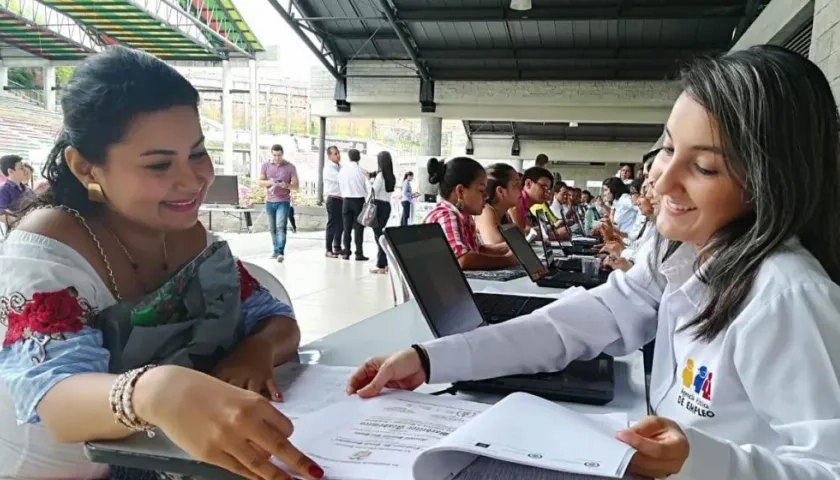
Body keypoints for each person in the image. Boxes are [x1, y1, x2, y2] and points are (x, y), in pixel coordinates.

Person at [347, 45, 840, 480]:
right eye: (668, 147)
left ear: (770, 180)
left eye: (704, 166)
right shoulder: (681, 254)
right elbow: (571, 326)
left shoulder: (786, 295)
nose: (663, 181)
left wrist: (701, 460)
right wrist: (432, 358)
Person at [0, 46, 322, 480]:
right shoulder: (50, 247)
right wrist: (155, 390)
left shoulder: (190, 236)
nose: (192, 179)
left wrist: (257, 350)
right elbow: (55, 397)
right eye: (158, 164)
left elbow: (273, 316)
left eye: (197, 153)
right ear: (86, 168)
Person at [422, 157, 516, 270]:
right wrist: (507, 260)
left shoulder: (464, 216)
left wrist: (507, 248)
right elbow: (462, 258)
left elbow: (476, 250)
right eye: (481, 190)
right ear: (460, 191)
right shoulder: (447, 215)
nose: (486, 196)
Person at [259, 144, 298, 262]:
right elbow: (260, 182)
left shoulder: (290, 167)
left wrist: (286, 185)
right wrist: (270, 182)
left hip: (283, 201)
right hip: (269, 201)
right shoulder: (266, 166)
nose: (277, 158)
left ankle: (280, 251)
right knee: (272, 228)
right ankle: (275, 251)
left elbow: (296, 186)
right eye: (275, 155)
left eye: (279, 155)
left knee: (281, 226)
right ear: (272, 154)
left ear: (283, 154)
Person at [475, 163, 521, 245]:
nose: (521, 189)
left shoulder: (505, 214)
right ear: (500, 191)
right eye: (517, 184)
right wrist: (516, 221)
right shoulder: (485, 211)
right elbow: (495, 244)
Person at [338, 148, 368, 261]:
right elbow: (366, 187)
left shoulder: (342, 170)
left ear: (349, 157)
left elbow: (340, 185)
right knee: (359, 228)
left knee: (346, 229)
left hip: (346, 201)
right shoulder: (361, 171)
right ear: (359, 157)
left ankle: (346, 252)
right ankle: (359, 253)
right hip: (358, 201)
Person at [370, 151, 396, 274]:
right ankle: (383, 264)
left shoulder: (380, 176)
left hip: (378, 206)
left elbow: (373, 191)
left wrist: (368, 181)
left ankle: (382, 264)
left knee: (378, 236)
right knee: (380, 233)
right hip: (387, 206)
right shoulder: (392, 176)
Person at [509, 166, 554, 233]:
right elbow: (520, 237)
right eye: (544, 187)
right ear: (528, 183)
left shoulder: (525, 205)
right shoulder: (517, 203)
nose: (547, 193)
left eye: (548, 189)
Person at [323, 145, 343, 258]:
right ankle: (328, 249)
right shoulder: (328, 168)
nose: (338, 155)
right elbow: (341, 178)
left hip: (342, 199)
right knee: (332, 224)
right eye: (335, 153)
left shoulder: (341, 167)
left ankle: (337, 247)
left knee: (341, 225)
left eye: (338, 153)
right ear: (329, 156)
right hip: (333, 199)